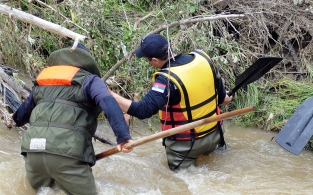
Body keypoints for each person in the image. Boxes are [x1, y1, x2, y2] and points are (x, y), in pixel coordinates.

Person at [12, 43, 133, 195]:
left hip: (33, 153)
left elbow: (20, 117)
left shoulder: (42, 83)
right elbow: (108, 102)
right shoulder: (90, 80)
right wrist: (123, 136)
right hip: (67, 154)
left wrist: (14, 119)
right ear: (85, 62)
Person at [110, 34, 233, 170]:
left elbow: (143, 110)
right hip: (216, 134)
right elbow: (222, 98)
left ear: (155, 60)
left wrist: (110, 94)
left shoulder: (166, 80)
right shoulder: (203, 58)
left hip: (187, 145)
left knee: (179, 184)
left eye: (148, 60)